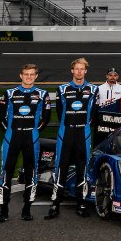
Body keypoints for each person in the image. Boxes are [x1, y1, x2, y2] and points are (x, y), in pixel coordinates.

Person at [0, 63, 48, 223]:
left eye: (32, 74)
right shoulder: (9, 93)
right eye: (26, 74)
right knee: (6, 172)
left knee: (31, 173)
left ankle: (26, 210)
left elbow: (45, 118)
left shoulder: (42, 94)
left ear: (36, 76)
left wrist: (34, 131)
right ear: (21, 75)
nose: (29, 77)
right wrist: (11, 132)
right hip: (11, 137)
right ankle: (3, 211)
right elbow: (0, 118)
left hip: (31, 138)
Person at [46, 57, 98, 219]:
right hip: (66, 133)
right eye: (77, 69)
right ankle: (55, 204)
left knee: (83, 169)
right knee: (61, 168)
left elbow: (94, 114)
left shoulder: (93, 89)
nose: (79, 72)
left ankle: (81, 204)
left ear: (86, 71)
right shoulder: (62, 89)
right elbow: (60, 113)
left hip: (84, 134)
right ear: (72, 70)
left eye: (82, 69)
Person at [92, 67, 121, 145]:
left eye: (115, 75)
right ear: (106, 76)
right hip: (101, 121)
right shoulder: (99, 88)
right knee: (99, 143)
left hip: (115, 121)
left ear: (117, 77)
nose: (112, 77)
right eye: (110, 75)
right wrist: (95, 118)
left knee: (114, 143)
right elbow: (95, 104)